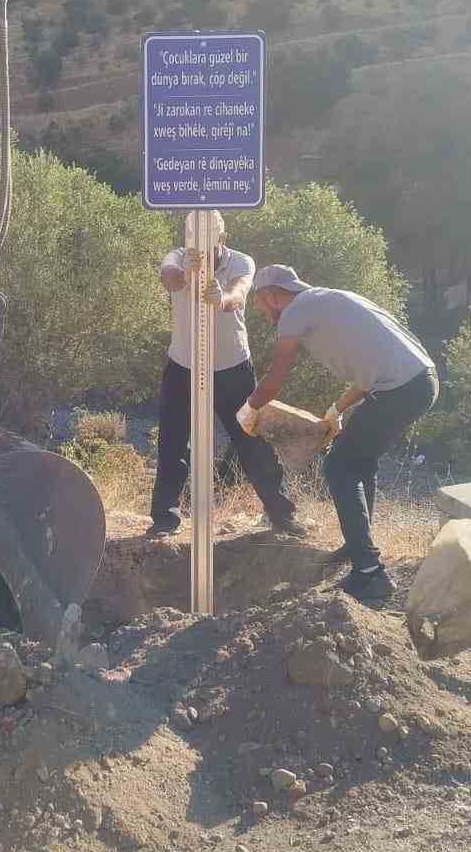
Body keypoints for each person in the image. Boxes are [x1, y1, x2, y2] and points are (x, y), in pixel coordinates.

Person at [241, 265, 438, 602]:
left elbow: (276, 375)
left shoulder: (294, 312)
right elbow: (371, 369)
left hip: (399, 389)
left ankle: (370, 573)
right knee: (360, 461)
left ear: (273, 296)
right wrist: (337, 409)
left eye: (259, 303)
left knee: (339, 466)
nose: (260, 311)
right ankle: (358, 545)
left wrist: (249, 409)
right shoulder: (332, 300)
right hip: (421, 382)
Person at [149, 215, 302, 538]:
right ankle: (165, 520)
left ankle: (280, 514)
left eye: (208, 237)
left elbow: (239, 294)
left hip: (231, 368)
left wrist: (221, 300)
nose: (201, 244)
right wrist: (188, 271)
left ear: (223, 235)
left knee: (250, 440)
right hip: (183, 366)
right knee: (173, 442)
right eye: (194, 237)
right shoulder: (177, 256)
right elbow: (171, 278)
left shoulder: (241, 261)